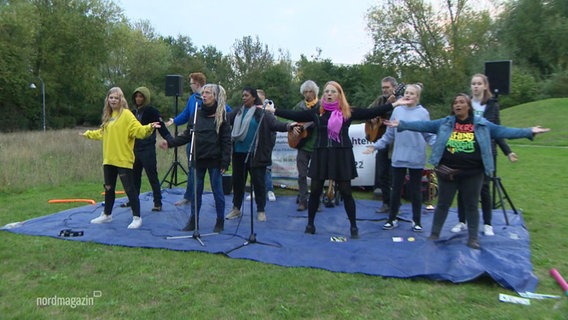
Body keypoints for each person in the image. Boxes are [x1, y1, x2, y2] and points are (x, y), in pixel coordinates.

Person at [385, 93, 550, 249]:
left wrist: (529, 131)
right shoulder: (446, 123)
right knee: (443, 204)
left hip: (473, 173)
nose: (458, 105)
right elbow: (424, 125)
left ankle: (473, 238)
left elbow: (504, 131)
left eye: (461, 102)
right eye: (455, 103)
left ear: (468, 107)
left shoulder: (482, 124)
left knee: (471, 205)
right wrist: (402, 124)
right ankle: (434, 234)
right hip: (448, 172)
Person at [268, 81, 411, 238]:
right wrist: (273, 110)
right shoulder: (316, 112)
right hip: (321, 154)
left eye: (333, 91)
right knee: (315, 192)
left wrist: (395, 104)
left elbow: (372, 112)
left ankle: (353, 227)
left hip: (341, 155)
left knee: (346, 192)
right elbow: (294, 115)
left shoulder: (347, 112)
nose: (329, 94)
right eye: (327, 91)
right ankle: (310, 224)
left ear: (339, 95)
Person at [81, 87, 161, 229]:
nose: (113, 100)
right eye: (111, 98)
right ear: (108, 100)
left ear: (121, 100)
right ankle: (107, 214)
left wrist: (149, 127)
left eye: (116, 98)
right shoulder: (108, 116)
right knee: (108, 188)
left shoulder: (127, 115)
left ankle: (137, 217)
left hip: (123, 159)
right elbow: (102, 133)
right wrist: (88, 134)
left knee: (130, 189)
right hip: (108, 159)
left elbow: (138, 131)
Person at [452, 74, 518, 236]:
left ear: (485, 86)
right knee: (463, 188)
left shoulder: (492, 106)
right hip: (466, 152)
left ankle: (488, 223)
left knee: (484, 188)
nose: (475, 86)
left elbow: (497, 130)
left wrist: (507, 151)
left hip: (486, 153)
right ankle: (462, 221)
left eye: (479, 83)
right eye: (473, 83)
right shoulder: (465, 104)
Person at [364, 84, 436, 232]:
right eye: (407, 93)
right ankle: (392, 219)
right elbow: (389, 135)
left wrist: (440, 149)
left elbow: (429, 135)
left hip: (416, 157)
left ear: (418, 97)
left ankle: (417, 221)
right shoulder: (397, 110)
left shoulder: (423, 113)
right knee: (395, 190)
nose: (408, 95)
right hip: (399, 157)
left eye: (412, 93)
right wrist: (375, 146)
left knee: (415, 191)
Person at [160, 84, 231, 233]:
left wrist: (225, 161)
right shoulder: (197, 114)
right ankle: (193, 220)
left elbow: (226, 140)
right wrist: (170, 142)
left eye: (208, 93)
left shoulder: (222, 115)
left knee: (217, 191)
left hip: (215, 160)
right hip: (198, 158)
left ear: (215, 96)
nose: (204, 95)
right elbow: (187, 135)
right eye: (203, 92)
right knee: (196, 192)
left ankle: (220, 221)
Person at [225, 87, 291, 222]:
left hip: (255, 154)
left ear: (254, 97)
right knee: (238, 183)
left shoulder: (261, 113)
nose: (243, 98)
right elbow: (224, 121)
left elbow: (275, 124)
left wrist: (289, 126)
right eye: (242, 95)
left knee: (259, 183)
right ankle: (236, 208)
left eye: (246, 95)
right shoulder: (238, 112)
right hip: (238, 154)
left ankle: (260, 210)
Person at [118, 87, 172, 212]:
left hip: (147, 149)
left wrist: (170, 140)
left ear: (145, 98)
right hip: (135, 149)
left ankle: (157, 203)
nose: (138, 99)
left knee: (152, 176)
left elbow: (161, 127)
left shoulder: (152, 111)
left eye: (141, 96)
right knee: (134, 177)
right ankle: (133, 200)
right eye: (136, 96)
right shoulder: (132, 112)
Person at [166, 72, 206, 207]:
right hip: (192, 139)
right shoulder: (192, 99)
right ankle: (189, 196)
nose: (190, 86)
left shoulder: (210, 96)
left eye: (191, 83)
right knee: (192, 169)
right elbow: (185, 114)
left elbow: (226, 111)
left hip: (207, 142)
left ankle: (198, 197)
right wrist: (174, 121)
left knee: (211, 172)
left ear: (197, 84)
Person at [366, 76, 398, 213]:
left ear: (395, 88)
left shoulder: (401, 101)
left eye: (387, 87)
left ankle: (396, 205)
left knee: (395, 176)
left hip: (396, 143)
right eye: (383, 87)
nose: (384, 90)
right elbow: (368, 112)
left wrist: (392, 104)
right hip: (381, 141)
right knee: (382, 173)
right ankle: (386, 203)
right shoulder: (380, 100)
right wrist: (374, 118)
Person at [292, 80, 321, 211]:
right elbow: (291, 120)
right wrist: (294, 128)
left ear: (315, 92)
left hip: (317, 145)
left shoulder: (322, 106)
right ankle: (303, 201)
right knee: (302, 175)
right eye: (305, 92)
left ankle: (317, 201)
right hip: (302, 145)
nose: (308, 94)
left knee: (317, 176)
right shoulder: (299, 106)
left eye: (310, 91)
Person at [245, 89, 277, 202]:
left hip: (266, 144)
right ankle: (255, 190)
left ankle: (269, 190)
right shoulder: (251, 111)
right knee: (253, 167)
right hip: (253, 143)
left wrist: (269, 144)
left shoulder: (269, 111)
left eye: (259, 98)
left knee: (266, 168)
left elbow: (274, 128)